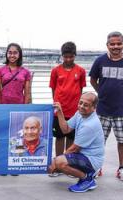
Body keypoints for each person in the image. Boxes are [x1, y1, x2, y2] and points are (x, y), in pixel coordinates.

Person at [89, 31, 123, 182]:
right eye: (112, 44)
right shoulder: (99, 60)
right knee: (99, 140)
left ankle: (121, 169)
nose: (116, 46)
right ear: (107, 45)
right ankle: (97, 167)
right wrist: (101, 92)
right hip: (103, 109)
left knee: (122, 140)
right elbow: (93, 80)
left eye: (118, 43)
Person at [49, 92, 104, 193]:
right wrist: (60, 112)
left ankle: (87, 179)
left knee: (59, 162)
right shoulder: (79, 114)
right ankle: (86, 174)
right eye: (80, 103)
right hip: (84, 156)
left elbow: (74, 148)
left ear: (94, 107)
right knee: (58, 162)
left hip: (91, 160)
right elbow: (66, 129)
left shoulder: (90, 125)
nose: (81, 106)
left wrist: (56, 162)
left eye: (86, 105)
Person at [49, 42, 86, 177]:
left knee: (71, 138)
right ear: (62, 56)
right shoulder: (55, 71)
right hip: (59, 111)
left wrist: (78, 107)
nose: (68, 59)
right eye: (66, 57)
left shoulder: (81, 71)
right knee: (59, 137)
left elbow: (81, 90)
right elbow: (54, 90)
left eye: (71, 57)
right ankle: (58, 165)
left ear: (75, 55)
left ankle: (68, 164)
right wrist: (57, 107)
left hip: (74, 112)